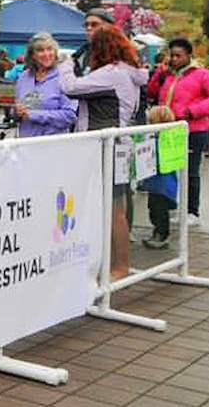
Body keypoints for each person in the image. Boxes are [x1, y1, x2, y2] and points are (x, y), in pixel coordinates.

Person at [57, 28, 148, 279]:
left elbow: (70, 87)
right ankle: (114, 262)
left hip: (107, 146)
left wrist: (66, 64)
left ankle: (120, 266)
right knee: (113, 207)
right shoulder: (129, 73)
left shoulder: (112, 74)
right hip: (117, 144)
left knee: (113, 209)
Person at [146, 38, 209, 226]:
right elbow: (151, 93)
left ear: (189, 55)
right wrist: (159, 75)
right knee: (168, 169)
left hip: (194, 129)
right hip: (168, 130)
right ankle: (174, 206)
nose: (174, 59)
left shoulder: (202, 74)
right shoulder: (168, 75)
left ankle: (192, 210)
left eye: (178, 56)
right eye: (171, 55)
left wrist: (193, 111)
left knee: (190, 172)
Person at [13, 33, 77, 138]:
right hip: (25, 143)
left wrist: (34, 115)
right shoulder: (24, 77)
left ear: (55, 52)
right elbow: (17, 112)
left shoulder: (64, 77)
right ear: (32, 55)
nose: (46, 54)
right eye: (40, 50)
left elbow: (70, 116)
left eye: (49, 49)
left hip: (52, 144)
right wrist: (16, 112)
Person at [140, 105, 180, 250]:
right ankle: (158, 233)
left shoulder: (158, 140)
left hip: (160, 184)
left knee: (159, 211)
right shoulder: (170, 138)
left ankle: (161, 235)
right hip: (161, 184)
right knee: (155, 210)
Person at [71, 8, 116, 76]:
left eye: (94, 24)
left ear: (108, 27)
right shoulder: (81, 54)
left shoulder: (121, 52)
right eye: (86, 25)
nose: (89, 28)